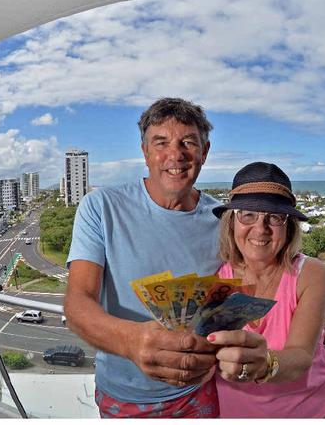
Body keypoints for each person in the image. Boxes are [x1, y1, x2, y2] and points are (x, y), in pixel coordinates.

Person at [64, 98, 222, 418]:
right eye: (160, 142)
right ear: (145, 151)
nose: (175, 155)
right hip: (127, 396)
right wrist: (132, 342)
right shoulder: (101, 207)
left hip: (203, 389)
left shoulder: (223, 219)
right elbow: (77, 302)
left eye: (188, 142)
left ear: (204, 151)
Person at [207, 161, 325, 418]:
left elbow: (301, 357)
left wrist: (265, 364)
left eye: (275, 217)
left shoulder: (310, 273)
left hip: (310, 407)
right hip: (237, 412)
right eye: (248, 214)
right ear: (231, 222)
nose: (261, 228)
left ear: (288, 226)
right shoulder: (215, 278)